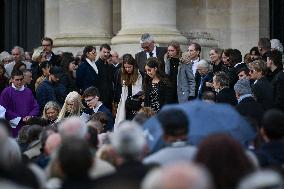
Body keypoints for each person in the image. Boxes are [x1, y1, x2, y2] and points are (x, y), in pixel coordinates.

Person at [0, 69, 40, 137]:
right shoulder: (6, 92)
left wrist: (30, 116)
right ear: (12, 79)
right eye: (17, 80)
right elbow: (4, 110)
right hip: (13, 126)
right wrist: (20, 118)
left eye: (21, 79)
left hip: (28, 125)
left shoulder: (28, 91)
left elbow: (35, 106)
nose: (19, 82)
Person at [114, 54, 143, 128]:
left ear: (133, 66)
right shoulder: (120, 74)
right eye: (125, 67)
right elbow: (118, 89)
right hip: (125, 104)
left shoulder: (140, 75)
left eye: (129, 67)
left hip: (136, 104)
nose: (127, 69)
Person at [96, 43, 114, 110]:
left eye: (108, 52)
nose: (106, 54)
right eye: (104, 52)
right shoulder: (96, 66)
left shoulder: (109, 66)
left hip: (109, 99)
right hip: (100, 99)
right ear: (100, 52)